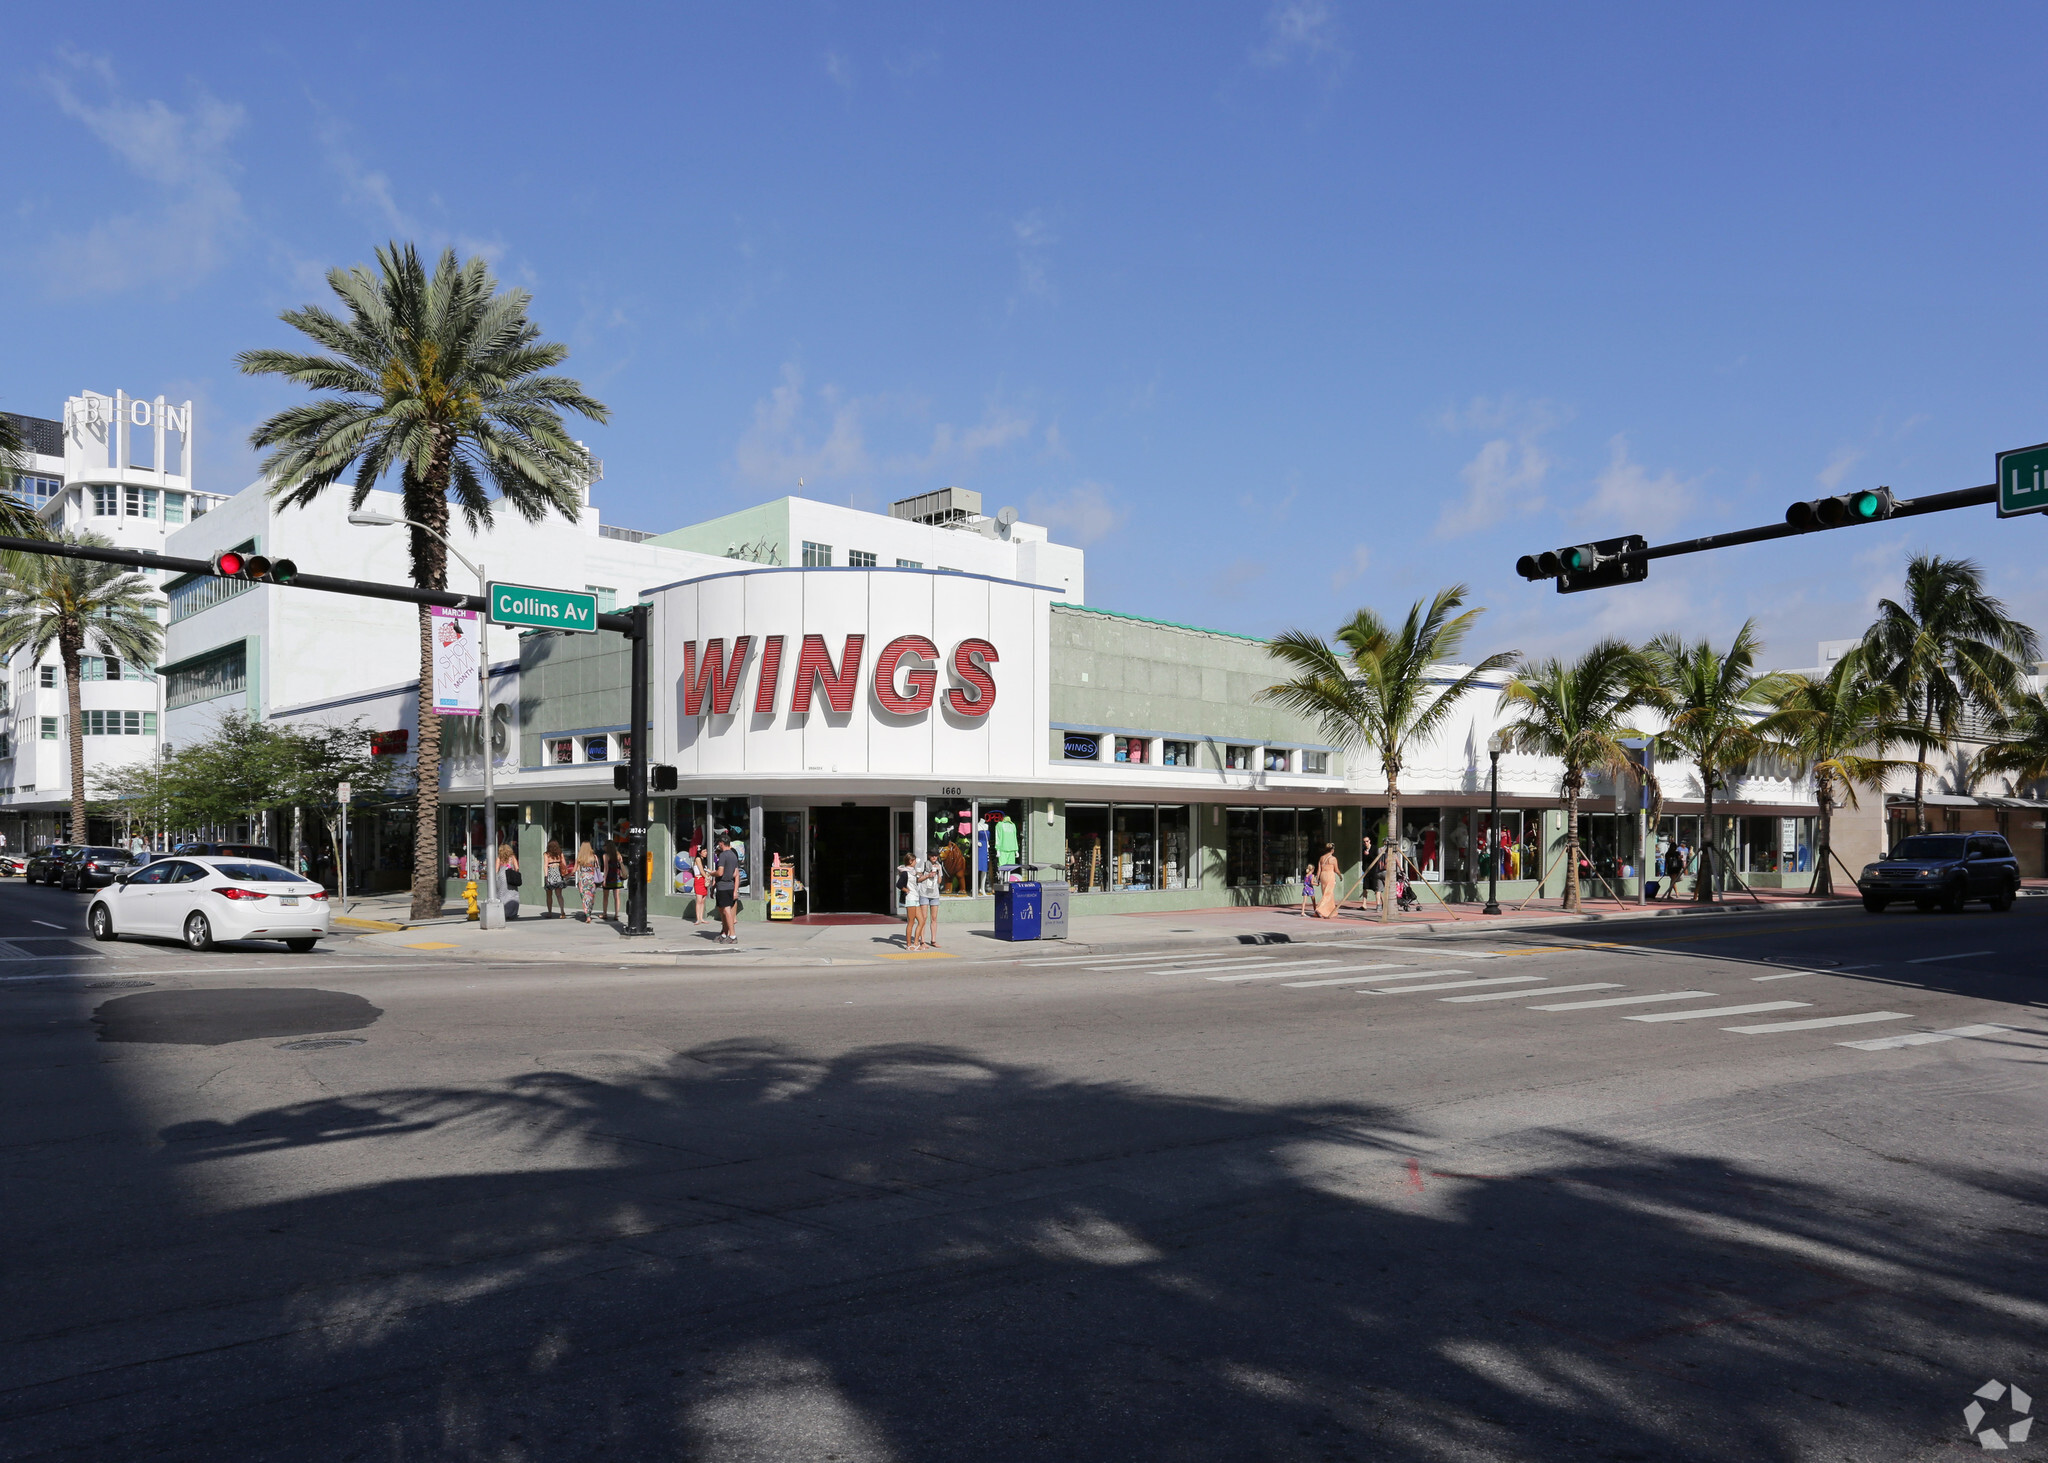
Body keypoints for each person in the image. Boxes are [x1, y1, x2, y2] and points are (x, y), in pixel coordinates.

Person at [713, 833, 741, 943]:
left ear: (721, 843)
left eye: (719, 843)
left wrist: (711, 873)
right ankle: (724, 934)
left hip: (723, 887)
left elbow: (719, 872)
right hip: (729, 886)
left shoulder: (723, 855)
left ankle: (732, 936)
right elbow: (735, 874)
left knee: (726, 911)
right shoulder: (733, 855)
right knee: (724, 911)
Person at [917, 852, 942, 948]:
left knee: (934, 918)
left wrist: (939, 872)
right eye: (932, 856)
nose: (934, 857)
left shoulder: (939, 865)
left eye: (936, 856)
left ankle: (933, 940)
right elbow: (918, 879)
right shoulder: (924, 865)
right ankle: (922, 941)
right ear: (929, 856)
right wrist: (928, 875)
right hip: (924, 893)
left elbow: (939, 881)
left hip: (934, 894)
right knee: (923, 918)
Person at [898, 851, 922, 950]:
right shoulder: (905, 873)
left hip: (916, 898)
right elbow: (899, 885)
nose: (916, 862)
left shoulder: (913, 872)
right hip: (910, 898)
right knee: (911, 922)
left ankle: (916, 942)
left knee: (922, 921)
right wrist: (906, 890)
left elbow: (916, 881)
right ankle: (908, 945)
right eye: (915, 860)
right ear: (911, 861)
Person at [574, 841, 601, 922]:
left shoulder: (580, 858)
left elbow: (576, 869)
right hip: (592, 879)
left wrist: (568, 876)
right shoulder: (594, 857)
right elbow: (597, 868)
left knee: (585, 898)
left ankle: (588, 916)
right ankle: (589, 912)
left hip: (583, 880)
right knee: (591, 897)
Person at [542, 840, 567, 918]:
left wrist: (546, 877)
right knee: (559, 895)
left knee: (549, 895)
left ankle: (549, 912)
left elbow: (545, 866)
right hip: (558, 874)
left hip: (550, 875)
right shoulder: (560, 854)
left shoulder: (546, 854)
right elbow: (564, 864)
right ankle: (562, 911)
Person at [496, 841, 521, 919]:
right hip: (510, 875)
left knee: (501, 894)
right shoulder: (512, 857)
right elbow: (517, 868)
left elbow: (496, 870)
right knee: (513, 894)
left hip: (502, 876)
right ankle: (512, 913)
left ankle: (503, 912)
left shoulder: (499, 857)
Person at [1316, 842, 1340, 919]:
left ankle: (1330, 911)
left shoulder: (1321, 858)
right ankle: (1319, 909)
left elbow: (1319, 870)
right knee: (1328, 893)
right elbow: (1336, 870)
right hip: (1329, 876)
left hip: (1323, 875)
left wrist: (1317, 878)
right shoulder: (1333, 859)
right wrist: (1340, 875)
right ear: (1332, 850)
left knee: (1326, 893)